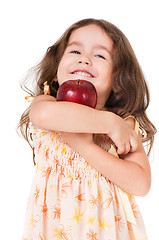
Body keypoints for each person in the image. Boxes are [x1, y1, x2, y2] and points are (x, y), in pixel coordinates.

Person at [18, 18, 156, 240]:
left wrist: (85, 145)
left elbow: (141, 184)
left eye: (100, 55)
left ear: (117, 80)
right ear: (56, 71)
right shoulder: (47, 105)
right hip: (54, 230)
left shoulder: (124, 126)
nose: (84, 59)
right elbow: (42, 115)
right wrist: (108, 124)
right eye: (74, 52)